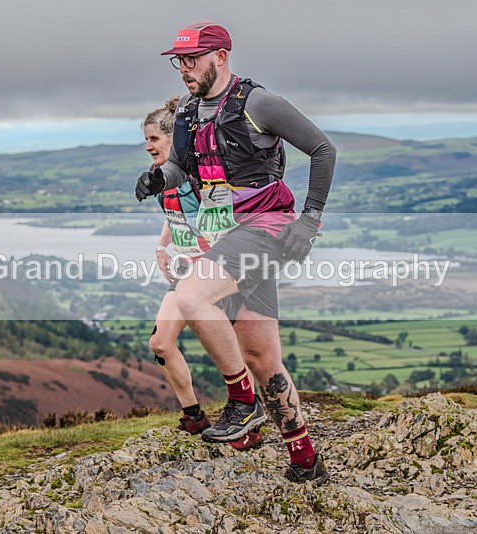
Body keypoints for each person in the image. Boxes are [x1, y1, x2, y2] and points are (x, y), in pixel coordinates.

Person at [135, 21, 336, 484]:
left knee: (191, 295)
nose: (184, 69)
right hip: (226, 231)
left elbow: (323, 150)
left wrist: (310, 219)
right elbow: (183, 169)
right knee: (261, 355)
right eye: (179, 61)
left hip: (268, 227)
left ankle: (242, 403)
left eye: (193, 59)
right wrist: (157, 179)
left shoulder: (258, 103)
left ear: (220, 56)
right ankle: (305, 458)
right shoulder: (187, 112)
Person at [142, 98, 262, 450]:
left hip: (218, 272)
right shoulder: (161, 179)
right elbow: (173, 215)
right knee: (160, 343)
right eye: (146, 140)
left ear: (172, 141)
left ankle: (249, 426)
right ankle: (194, 416)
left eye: (154, 139)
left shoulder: (197, 173)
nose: (148, 147)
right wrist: (162, 248)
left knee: (242, 351)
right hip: (185, 273)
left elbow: (231, 211)